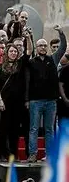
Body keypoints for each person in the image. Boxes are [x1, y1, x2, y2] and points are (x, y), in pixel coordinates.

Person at [25, 25, 66, 162]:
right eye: (40, 46)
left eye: (44, 45)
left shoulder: (53, 59)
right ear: (37, 48)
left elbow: (63, 47)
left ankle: (50, 155)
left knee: (49, 129)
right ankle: (32, 154)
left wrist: (61, 33)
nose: (42, 47)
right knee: (34, 129)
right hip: (35, 101)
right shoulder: (31, 62)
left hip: (51, 101)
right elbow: (27, 81)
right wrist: (27, 100)